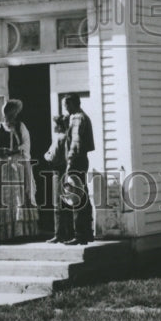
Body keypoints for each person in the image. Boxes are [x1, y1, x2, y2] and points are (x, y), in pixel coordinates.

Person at [0, 100, 39, 242]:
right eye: (9, 111)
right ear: (4, 113)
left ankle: (23, 231)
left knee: (20, 195)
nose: (12, 115)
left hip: (18, 165)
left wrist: (17, 151)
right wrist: (0, 150)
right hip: (5, 166)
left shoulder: (20, 126)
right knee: (7, 196)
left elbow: (26, 143)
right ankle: (8, 232)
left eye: (14, 112)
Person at [63, 94, 95, 245]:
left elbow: (75, 142)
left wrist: (70, 162)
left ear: (72, 104)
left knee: (76, 197)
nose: (65, 108)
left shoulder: (77, 117)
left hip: (77, 160)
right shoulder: (82, 116)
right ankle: (87, 232)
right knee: (83, 195)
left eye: (66, 105)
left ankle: (79, 234)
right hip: (82, 160)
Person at [43, 114, 73, 244]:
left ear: (59, 126)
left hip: (59, 171)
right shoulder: (70, 137)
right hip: (70, 171)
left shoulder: (59, 138)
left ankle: (59, 234)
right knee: (69, 203)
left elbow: (52, 157)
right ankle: (70, 232)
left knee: (58, 205)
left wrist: (46, 155)